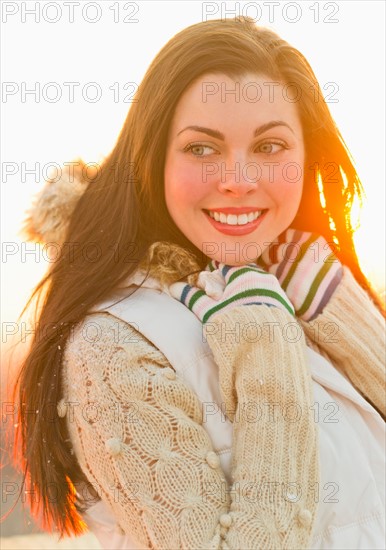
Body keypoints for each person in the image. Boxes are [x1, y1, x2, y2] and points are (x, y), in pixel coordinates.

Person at [11, 16, 385, 550]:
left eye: (270, 147)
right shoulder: (115, 346)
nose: (237, 179)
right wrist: (266, 345)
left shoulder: (302, 283)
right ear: (153, 160)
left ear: (306, 158)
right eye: (202, 149)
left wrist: (344, 314)